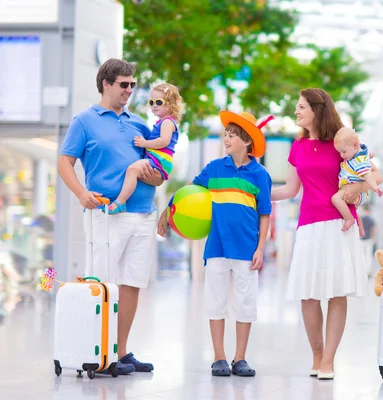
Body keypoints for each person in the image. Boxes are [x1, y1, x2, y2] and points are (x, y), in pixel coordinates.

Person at [58, 58, 163, 375]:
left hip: (143, 213)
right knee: (103, 284)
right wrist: (80, 193)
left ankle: (119, 352)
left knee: (132, 284)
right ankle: (99, 352)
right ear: (106, 83)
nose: (129, 90)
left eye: (132, 84)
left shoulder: (139, 124)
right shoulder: (85, 121)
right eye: (123, 84)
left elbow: (158, 171)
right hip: (105, 213)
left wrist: (155, 177)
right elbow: (65, 163)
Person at [271, 88, 383, 380]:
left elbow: (375, 175)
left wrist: (355, 189)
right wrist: (254, 194)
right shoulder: (298, 146)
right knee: (308, 295)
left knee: (336, 293)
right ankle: (317, 355)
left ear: (318, 109)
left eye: (301, 107)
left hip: (339, 224)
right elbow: (289, 189)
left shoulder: (341, 141)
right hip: (308, 224)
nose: (296, 112)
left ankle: (329, 360)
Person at [158, 111, 272, 377]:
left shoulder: (260, 175)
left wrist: (260, 248)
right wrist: (166, 211)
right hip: (217, 247)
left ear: (246, 141)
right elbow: (190, 192)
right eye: (225, 134)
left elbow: (265, 213)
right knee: (216, 302)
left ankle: (240, 358)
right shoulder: (214, 169)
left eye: (231, 135)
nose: (226, 139)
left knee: (245, 303)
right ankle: (219, 357)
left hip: (246, 249)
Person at [107, 83, 183, 215]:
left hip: (160, 159)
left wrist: (144, 143)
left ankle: (120, 202)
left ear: (171, 104)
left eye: (159, 102)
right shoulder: (162, 121)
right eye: (151, 101)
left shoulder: (167, 122)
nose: (154, 105)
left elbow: (164, 141)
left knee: (132, 170)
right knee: (136, 172)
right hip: (158, 160)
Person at [331, 127, 383, 235]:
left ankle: (349, 219)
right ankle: (361, 230)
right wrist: (370, 154)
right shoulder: (362, 153)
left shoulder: (357, 161)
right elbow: (369, 153)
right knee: (352, 209)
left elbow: (367, 175)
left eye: (344, 152)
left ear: (355, 145)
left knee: (335, 199)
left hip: (351, 187)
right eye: (340, 152)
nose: (342, 156)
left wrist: (375, 187)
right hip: (357, 191)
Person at [359, 205, 376, 277]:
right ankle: (367, 272)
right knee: (368, 256)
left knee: (360, 255)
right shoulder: (371, 219)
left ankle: (360, 271)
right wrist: (373, 239)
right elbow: (374, 230)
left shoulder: (360, 218)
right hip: (368, 239)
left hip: (360, 239)